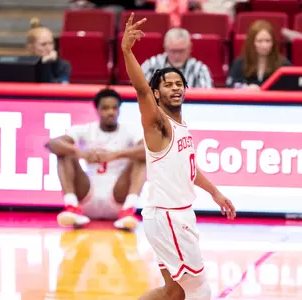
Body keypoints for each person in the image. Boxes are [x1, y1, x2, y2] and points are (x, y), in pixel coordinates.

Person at [121, 13, 236, 300]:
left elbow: (190, 171)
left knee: (174, 292)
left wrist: (216, 194)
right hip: (169, 217)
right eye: (168, 84)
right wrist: (126, 51)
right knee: (199, 289)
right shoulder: (158, 124)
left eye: (178, 84)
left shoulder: (181, 127)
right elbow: (140, 91)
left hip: (174, 215)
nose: (175, 87)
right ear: (157, 94)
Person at [45, 88, 146, 230]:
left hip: (118, 197)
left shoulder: (130, 131)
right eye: (105, 108)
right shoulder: (85, 129)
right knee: (65, 152)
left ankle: (129, 209)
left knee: (141, 156)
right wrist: (81, 153)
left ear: (119, 110)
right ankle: (72, 207)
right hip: (88, 196)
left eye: (114, 108)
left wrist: (115, 155)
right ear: (97, 110)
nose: (110, 112)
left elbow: (149, 151)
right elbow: (52, 144)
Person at [226, 20, 292, 90]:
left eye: (268, 41)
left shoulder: (284, 64)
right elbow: (230, 86)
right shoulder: (239, 63)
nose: (264, 45)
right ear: (251, 42)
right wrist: (246, 88)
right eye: (259, 41)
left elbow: (291, 88)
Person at [141, 28, 214, 89]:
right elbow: (138, 93)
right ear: (165, 48)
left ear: (190, 48)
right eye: (173, 51)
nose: (177, 56)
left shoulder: (200, 69)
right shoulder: (151, 65)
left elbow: (208, 99)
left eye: (181, 51)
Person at [27, 17, 71, 83]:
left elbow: (53, 87)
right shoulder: (26, 65)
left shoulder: (63, 65)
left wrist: (46, 64)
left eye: (51, 43)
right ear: (31, 47)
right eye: (43, 44)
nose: (49, 48)